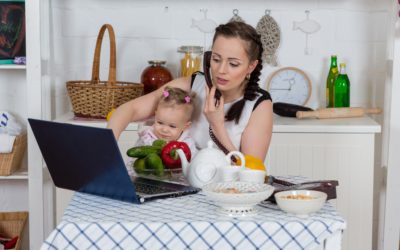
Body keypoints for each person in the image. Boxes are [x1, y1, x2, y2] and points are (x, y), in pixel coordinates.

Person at [108, 21, 273, 161]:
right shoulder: (193, 84)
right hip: (181, 187)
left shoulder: (259, 105)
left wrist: (217, 126)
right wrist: (108, 150)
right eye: (216, 59)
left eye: (233, 64)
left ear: (251, 66)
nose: (221, 70)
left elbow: (251, 174)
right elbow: (129, 109)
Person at [135, 86, 197, 156]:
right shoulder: (146, 139)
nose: (164, 129)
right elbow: (132, 161)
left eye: (172, 126)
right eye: (160, 122)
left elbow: (194, 164)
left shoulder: (188, 144)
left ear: (186, 126)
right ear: (156, 116)